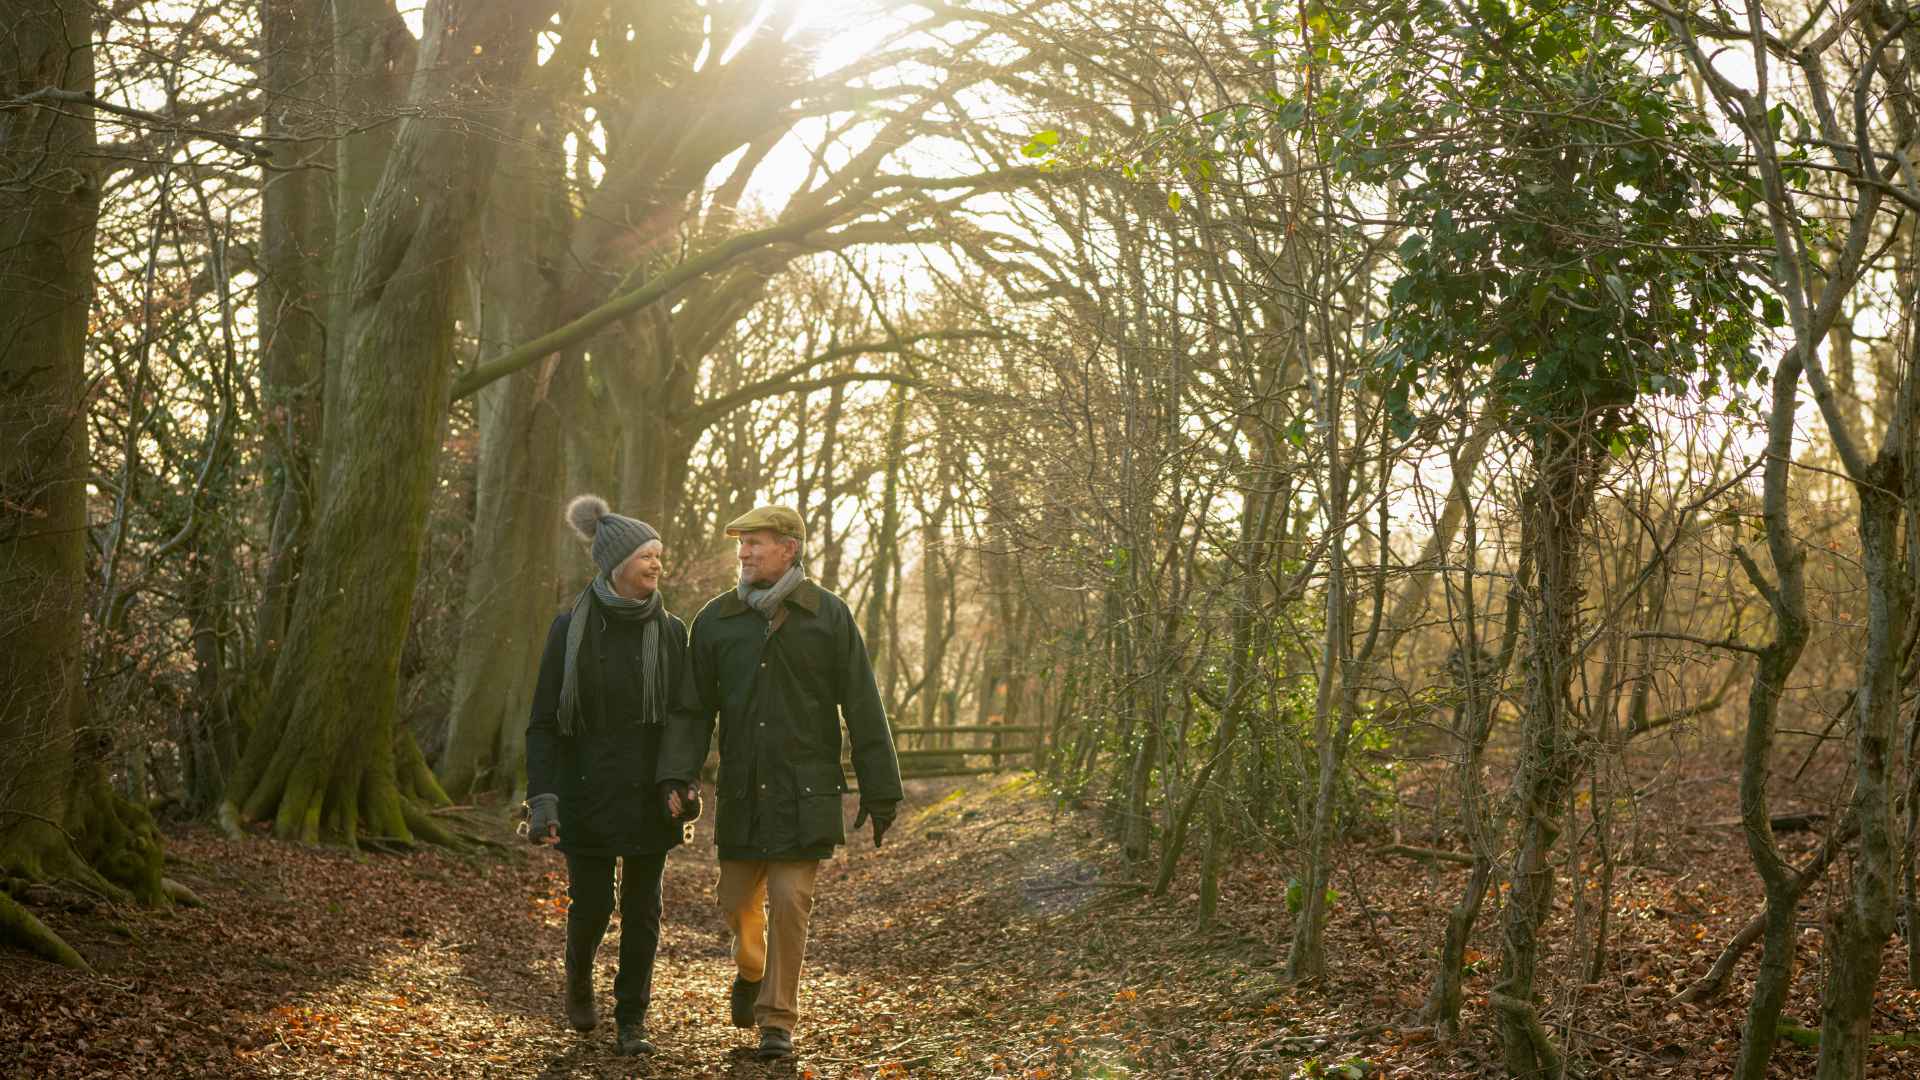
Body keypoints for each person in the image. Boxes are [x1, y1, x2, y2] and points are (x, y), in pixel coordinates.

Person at [656, 505, 903, 1061]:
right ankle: (751, 969)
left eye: (755, 543)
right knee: (736, 900)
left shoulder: (828, 616)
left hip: (806, 793)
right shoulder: (716, 621)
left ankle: (777, 1021)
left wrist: (881, 788)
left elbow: (863, 704)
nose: (743, 553)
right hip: (743, 790)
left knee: (791, 901)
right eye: (740, 545)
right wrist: (677, 773)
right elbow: (693, 709)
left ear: (790, 548)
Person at [525, 495, 700, 1056]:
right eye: (647, 555)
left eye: (660, 556)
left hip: (650, 793)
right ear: (617, 563)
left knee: (644, 909)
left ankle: (632, 1017)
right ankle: (578, 978)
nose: (657, 565)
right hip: (586, 792)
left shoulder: (672, 631)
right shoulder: (569, 628)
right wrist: (544, 799)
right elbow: (544, 722)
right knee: (594, 905)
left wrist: (677, 780)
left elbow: (683, 714)